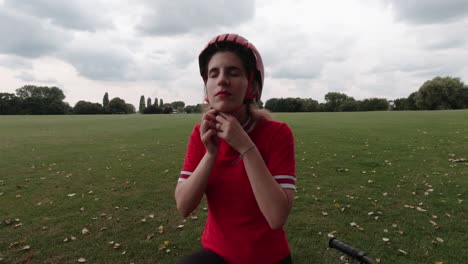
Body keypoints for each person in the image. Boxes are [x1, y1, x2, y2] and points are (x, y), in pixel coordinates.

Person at [175, 33, 297, 264]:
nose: (222, 80)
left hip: (268, 258)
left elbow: (276, 217)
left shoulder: (277, 133)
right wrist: (210, 153)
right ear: (206, 88)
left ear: (251, 85)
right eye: (214, 74)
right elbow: (183, 206)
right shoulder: (199, 134)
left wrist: (245, 145)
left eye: (233, 72)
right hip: (217, 255)